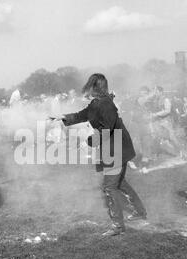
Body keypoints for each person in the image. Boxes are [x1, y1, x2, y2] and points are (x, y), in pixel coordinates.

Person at [53, 74, 147, 236]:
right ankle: (139, 212)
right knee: (120, 183)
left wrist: (91, 140)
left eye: (90, 86)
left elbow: (107, 129)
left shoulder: (106, 104)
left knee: (110, 187)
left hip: (116, 148)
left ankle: (118, 226)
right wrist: (64, 117)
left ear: (95, 88)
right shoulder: (98, 103)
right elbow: (84, 114)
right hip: (115, 147)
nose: (87, 89)